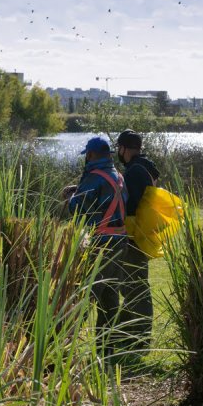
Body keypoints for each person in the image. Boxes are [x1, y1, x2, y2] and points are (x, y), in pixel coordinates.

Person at [65, 136, 128, 357]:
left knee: (85, 298)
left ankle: (64, 349)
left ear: (91, 155)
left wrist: (71, 196)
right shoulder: (118, 176)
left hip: (100, 245)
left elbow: (77, 208)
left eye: (87, 155)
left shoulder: (93, 177)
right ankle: (106, 351)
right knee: (110, 299)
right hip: (120, 243)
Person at [116, 129, 160, 351]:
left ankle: (140, 339)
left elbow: (129, 205)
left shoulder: (134, 171)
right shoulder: (146, 168)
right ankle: (124, 334)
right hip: (142, 234)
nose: (118, 153)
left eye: (119, 148)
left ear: (124, 148)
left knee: (134, 286)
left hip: (133, 236)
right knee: (133, 284)